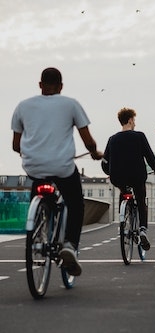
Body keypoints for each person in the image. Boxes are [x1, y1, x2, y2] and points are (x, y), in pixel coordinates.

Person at [11, 67, 103, 276]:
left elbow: (16, 145)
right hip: (62, 167)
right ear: (61, 86)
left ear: (40, 85)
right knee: (76, 203)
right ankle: (69, 245)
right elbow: (87, 140)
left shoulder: (23, 106)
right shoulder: (70, 104)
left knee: (40, 190)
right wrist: (95, 152)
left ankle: (38, 228)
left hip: (34, 167)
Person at [101, 108, 155, 250]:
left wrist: (108, 172)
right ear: (130, 120)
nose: (135, 124)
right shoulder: (139, 136)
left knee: (123, 192)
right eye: (134, 120)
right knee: (140, 200)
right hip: (137, 175)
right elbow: (150, 157)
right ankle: (142, 230)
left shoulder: (112, 139)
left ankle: (122, 224)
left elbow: (104, 161)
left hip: (117, 176)